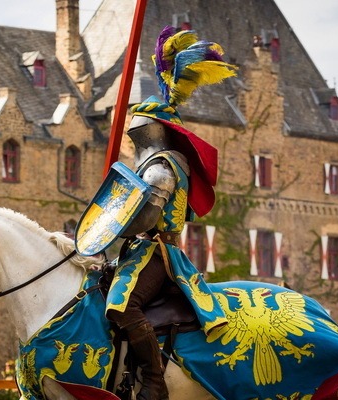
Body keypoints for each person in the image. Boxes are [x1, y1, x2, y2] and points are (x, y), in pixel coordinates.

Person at [100, 26, 239, 400]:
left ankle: (156, 382)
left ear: (153, 127)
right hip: (139, 250)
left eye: (139, 125)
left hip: (158, 251)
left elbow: (146, 220)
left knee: (124, 306)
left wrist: (113, 227)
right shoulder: (152, 165)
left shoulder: (162, 167)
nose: (133, 131)